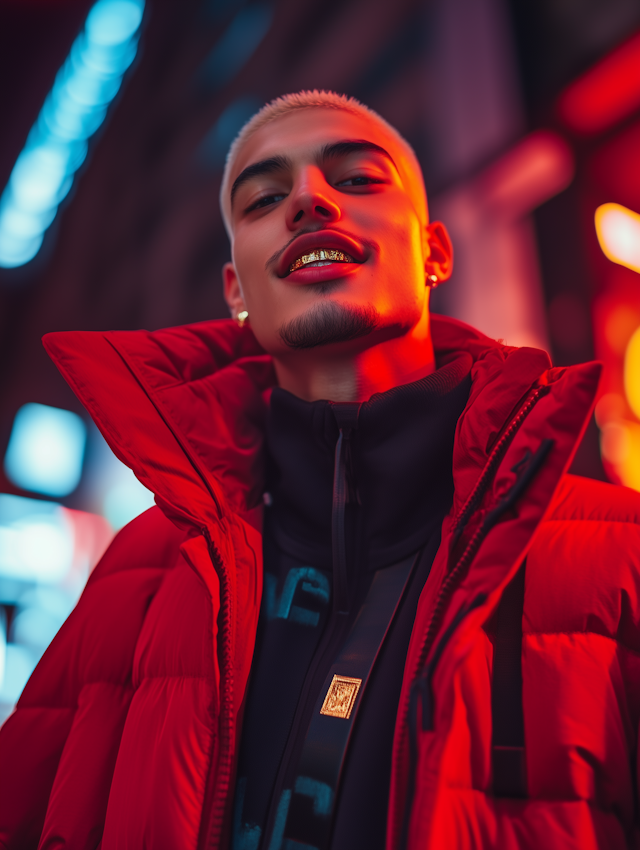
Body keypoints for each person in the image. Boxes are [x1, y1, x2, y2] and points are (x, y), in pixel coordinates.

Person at [1, 90, 639, 850]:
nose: (309, 200)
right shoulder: (136, 574)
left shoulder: (620, 556)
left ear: (434, 252)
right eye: (266, 198)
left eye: (360, 180)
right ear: (237, 291)